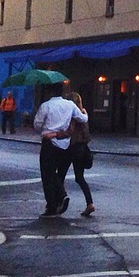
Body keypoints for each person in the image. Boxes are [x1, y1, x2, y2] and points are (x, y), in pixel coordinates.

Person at [34, 85, 87, 216]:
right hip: (64, 144)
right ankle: (58, 200)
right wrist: (85, 113)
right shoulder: (70, 105)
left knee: (47, 174)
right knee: (56, 174)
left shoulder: (46, 106)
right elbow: (83, 119)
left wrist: (45, 130)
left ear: (50, 92)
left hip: (49, 142)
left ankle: (55, 202)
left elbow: (37, 124)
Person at [63, 91, 96, 217]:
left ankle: (59, 199)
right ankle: (90, 203)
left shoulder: (73, 115)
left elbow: (70, 131)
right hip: (83, 148)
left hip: (72, 147)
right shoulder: (84, 113)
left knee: (60, 175)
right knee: (79, 177)